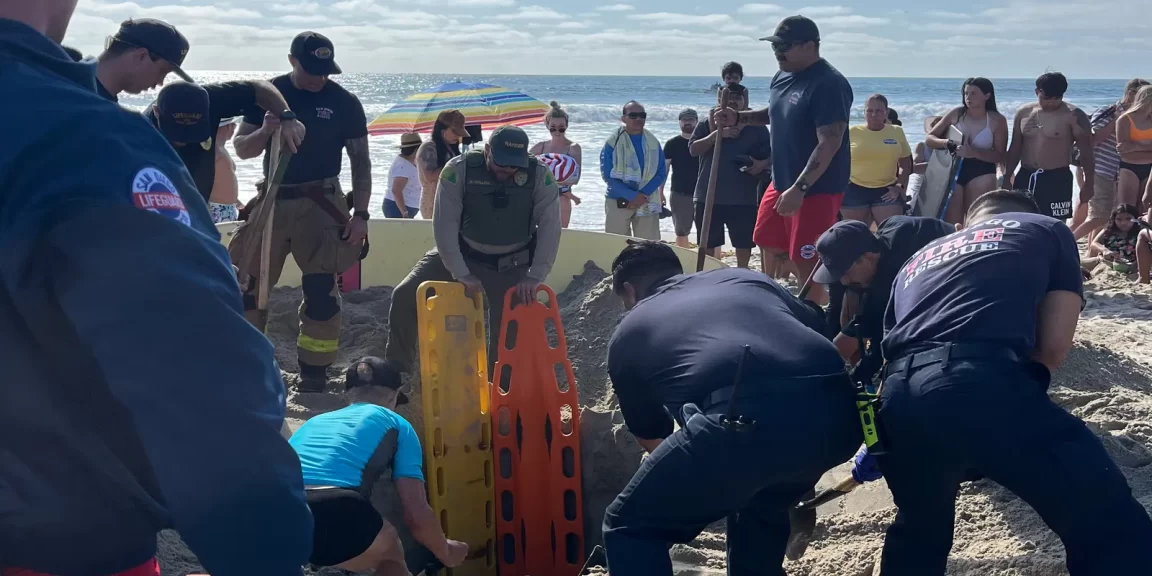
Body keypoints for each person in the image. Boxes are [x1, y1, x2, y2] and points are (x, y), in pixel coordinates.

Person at [0, 3, 313, 575]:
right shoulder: (84, 134)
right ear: (141, 56)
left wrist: (282, 113)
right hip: (58, 537)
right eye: (162, 71)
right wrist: (264, 545)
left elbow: (253, 88)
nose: (161, 85)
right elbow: (195, 370)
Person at [874, 189, 1152, 574]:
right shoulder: (1047, 228)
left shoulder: (916, 260)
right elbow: (1053, 349)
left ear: (962, 226)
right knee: (1106, 518)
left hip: (897, 397)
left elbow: (891, 350)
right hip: (978, 379)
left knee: (920, 529)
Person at [600, 241, 861, 576]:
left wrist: (711, 479)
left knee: (628, 526)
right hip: (840, 414)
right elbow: (815, 325)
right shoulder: (745, 279)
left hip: (745, 420)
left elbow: (654, 438)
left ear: (629, 290)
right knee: (760, 508)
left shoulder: (629, 331)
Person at [229, 31, 370, 393]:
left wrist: (361, 215)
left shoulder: (345, 102)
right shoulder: (267, 95)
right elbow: (242, 149)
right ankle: (247, 367)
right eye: (312, 70)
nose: (319, 78)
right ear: (292, 60)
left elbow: (361, 162)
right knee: (250, 288)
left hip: (322, 203)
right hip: (273, 200)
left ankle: (314, 376)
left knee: (322, 293)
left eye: (325, 71)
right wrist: (265, 130)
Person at [384, 126, 561, 377]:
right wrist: (461, 273)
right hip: (461, 252)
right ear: (487, 150)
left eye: (514, 166)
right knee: (404, 295)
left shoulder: (540, 176)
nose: (507, 171)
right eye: (501, 163)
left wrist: (535, 276)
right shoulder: (459, 170)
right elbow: (444, 225)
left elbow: (550, 228)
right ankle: (395, 375)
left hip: (511, 264)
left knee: (507, 338)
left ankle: (499, 391)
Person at [715, 15, 853, 304]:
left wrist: (799, 190)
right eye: (775, 45)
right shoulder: (782, 75)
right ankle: (790, 299)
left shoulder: (829, 83)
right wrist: (739, 117)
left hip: (815, 189)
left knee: (806, 259)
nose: (778, 52)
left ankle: (815, 313)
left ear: (811, 46)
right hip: (782, 179)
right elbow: (775, 112)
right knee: (765, 238)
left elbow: (830, 143)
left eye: (786, 46)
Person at [289, 357, 470, 575]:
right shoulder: (397, 423)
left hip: (276, 505)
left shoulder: (314, 423)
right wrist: (446, 551)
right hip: (337, 506)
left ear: (348, 395)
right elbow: (416, 515)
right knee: (390, 553)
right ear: (394, 396)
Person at [813, 217, 956, 387]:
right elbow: (836, 312)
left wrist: (850, 381)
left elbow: (876, 344)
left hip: (957, 282)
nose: (843, 281)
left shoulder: (892, 274)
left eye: (845, 272)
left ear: (869, 258)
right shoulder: (880, 237)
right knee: (851, 297)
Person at [145, 79, 307, 205]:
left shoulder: (214, 99)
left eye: (191, 134)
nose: (183, 142)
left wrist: (287, 117)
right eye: (176, 135)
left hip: (200, 196)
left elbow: (260, 88)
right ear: (157, 113)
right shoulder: (139, 131)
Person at [689, 84, 771, 268]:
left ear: (745, 101)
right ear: (719, 101)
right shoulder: (707, 124)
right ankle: (708, 275)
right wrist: (717, 135)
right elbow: (694, 150)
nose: (732, 101)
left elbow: (774, 153)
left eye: (737, 98)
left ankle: (742, 272)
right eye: (728, 98)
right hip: (708, 195)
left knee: (743, 243)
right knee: (708, 243)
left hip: (743, 198)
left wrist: (761, 164)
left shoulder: (756, 127)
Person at [1004, 72, 1095, 221]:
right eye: (1046, 98)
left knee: (1054, 224)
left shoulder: (1075, 116)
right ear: (1037, 92)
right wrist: (1008, 176)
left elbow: (1087, 152)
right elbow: (1015, 148)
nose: (1052, 102)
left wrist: (1089, 183)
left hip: (1057, 178)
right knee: (1022, 221)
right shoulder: (1023, 113)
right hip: (1026, 175)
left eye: (1057, 98)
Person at [1073, 78, 1150, 240]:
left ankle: (1091, 253)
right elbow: (1092, 140)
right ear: (1130, 94)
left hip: (1119, 171)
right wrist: (1116, 119)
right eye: (1143, 96)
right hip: (1100, 169)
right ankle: (1068, 241)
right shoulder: (1107, 111)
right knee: (1099, 216)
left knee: (1109, 217)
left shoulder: (1143, 118)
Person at [925, 78, 1009, 224]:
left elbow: (999, 155)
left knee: (976, 220)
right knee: (952, 223)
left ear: (987, 96)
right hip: (954, 167)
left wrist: (973, 153)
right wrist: (946, 143)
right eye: (966, 93)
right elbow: (930, 138)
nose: (968, 98)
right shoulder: (956, 113)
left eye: (974, 93)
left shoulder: (997, 120)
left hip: (982, 170)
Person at [601, 101, 667, 240]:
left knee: (648, 247)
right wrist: (631, 196)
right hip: (618, 200)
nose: (638, 119)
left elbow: (661, 172)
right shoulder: (612, 142)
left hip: (646, 200)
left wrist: (642, 195)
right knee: (616, 246)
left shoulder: (653, 142)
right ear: (623, 118)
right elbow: (607, 176)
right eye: (633, 116)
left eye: (642, 115)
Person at [843, 94, 912, 226]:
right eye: (869, 110)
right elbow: (837, 160)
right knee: (854, 236)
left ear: (887, 112)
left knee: (891, 234)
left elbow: (905, 164)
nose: (874, 114)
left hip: (886, 190)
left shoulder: (896, 131)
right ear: (864, 112)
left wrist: (898, 187)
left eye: (879, 111)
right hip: (854, 189)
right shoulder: (852, 132)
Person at [94, 18, 194, 102]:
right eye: (162, 71)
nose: (160, 82)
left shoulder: (91, 99)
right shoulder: (98, 111)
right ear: (141, 56)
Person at [530, 101, 583, 228]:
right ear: (547, 125)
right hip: (541, 198)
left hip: (562, 199)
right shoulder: (540, 147)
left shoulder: (573, 148)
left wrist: (547, 177)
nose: (557, 130)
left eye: (561, 127)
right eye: (553, 126)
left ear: (567, 125)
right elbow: (523, 167)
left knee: (562, 235)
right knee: (539, 236)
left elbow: (575, 179)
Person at [416, 110, 467, 220]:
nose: (458, 136)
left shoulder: (451, 148)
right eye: (455, 132)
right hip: (432, 203)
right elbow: (430, 177)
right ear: (442, 129)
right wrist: (455, 164)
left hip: (450, 203)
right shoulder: (429, 147)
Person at [661, 108, 702, 248]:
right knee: (681, 232)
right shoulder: (672, 144)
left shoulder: (705, 143)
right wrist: (660, 192)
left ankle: (713, 265)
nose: (688, 123)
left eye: (691, 119)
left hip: (704, 194)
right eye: (684, 120)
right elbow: (664, 170)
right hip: (680, 193)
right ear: (679, 122)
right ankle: (684, 263)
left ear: (697, 122)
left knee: (708, 233)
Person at [1117, 84, 1152, 211]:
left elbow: (1129, 149)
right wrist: (1148, 146)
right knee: (1127, 210)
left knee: (1145, 210)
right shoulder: (1125, 119)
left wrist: (1135, 146)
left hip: (1150, 169)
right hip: (1129, 168)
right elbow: (1125, 154)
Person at [1082, 204, 1139, 272]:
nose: (1123, 222)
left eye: (1128, 219)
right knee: (1076, 264)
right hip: (1104, 262)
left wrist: (1137, 265)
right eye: (1119, 219)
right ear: (1114, 219)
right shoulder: (1109, 230)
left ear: (1135, 218)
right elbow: (1094, 243)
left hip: (1130, 265)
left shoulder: (1139, 233)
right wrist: (1104, 250)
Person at [385, 132, 424, 219]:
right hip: (397, 207)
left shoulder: (410, 161)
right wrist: (404, 212)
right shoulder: (403, 165)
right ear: (416, 149)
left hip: (404, 206)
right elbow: (396, 191)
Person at [211, 118, 242, 223]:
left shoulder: (220, 148)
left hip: (227, 208)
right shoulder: (214, 149)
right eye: (233, 124)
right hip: (216, 208)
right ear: (229, 126)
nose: (235, 127)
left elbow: (222, 182)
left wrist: (237, 202)